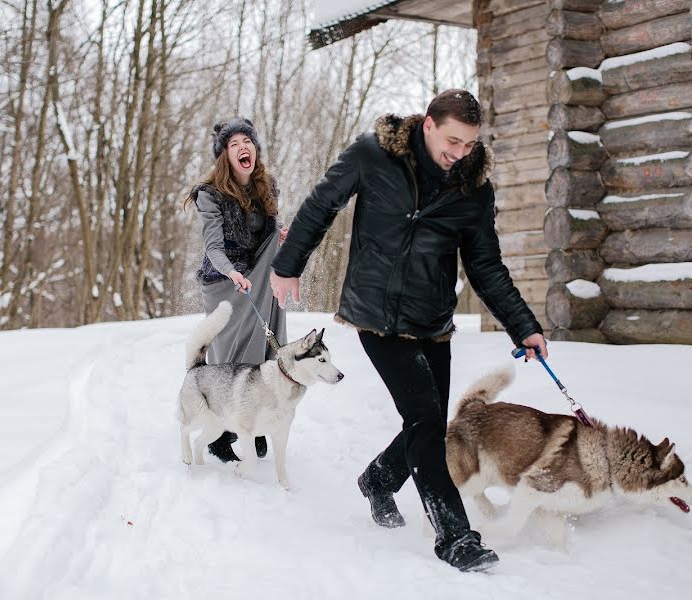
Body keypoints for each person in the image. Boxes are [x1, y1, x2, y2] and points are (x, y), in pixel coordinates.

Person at [269, 90, 547, 572]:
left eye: (469, 144)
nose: (460, 153)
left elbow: (485, 266)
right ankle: (455, 537)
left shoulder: (474, 188)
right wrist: (288, 266)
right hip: (375, 316)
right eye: (453, 141)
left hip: (432, 320)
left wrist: (522, 325)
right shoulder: (374, 155)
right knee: (423, 417)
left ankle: (378, 480)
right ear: (428, 126)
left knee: (433, 423)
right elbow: (321, 205)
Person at [184, 117, 287, 463]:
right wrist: (233, 273)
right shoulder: (210, 195)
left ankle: (251, 423)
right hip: (224, 278)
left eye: (247, 141)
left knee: (259, 342)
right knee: (230, 353)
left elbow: (271, 230)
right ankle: (221, 431)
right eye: (233, 144)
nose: (243, 147)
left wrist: (282, 237)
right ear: (225, 156)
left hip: (259, 272)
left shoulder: (266, 185)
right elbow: (214, 246)